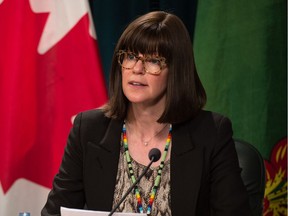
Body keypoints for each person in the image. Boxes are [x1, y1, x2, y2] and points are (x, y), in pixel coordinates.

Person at [41, 11, 252, 216]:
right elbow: (55, 212)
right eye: (131, 56)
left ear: (176, 71)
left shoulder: (210, 133)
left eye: (153, 61)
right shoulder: (88, 130)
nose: (137, 69)